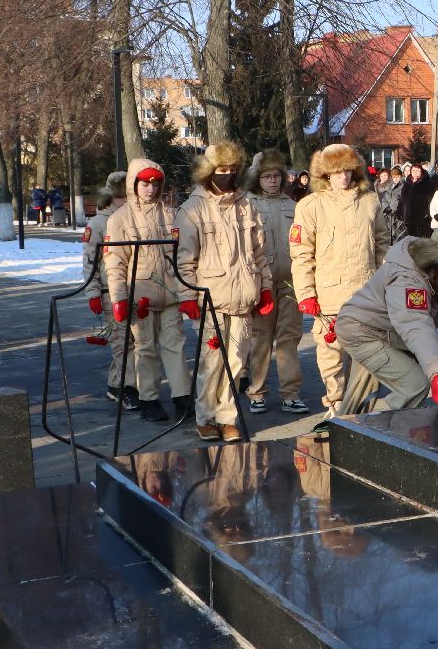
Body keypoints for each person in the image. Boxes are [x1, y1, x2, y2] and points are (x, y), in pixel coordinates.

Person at [335, 219, 438, 414]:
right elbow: (415, 323)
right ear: (437, 255)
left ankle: (342, 428)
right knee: (414, 385)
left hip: (379, 329)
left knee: (359, 398)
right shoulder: (407, 279)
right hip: (364, 332)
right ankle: (394, 429)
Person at [175, 142, 274, 443]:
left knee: (236, 363)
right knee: (212, 362)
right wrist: (187, 296)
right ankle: (205, 417)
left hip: (243, 296)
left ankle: (227, 417)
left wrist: (265, 288)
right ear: (209, 172)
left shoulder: (247, 205)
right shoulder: (192, 208)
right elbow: (184, 259)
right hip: (210, 299)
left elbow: (259, 253)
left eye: (232, 170)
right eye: (221, 170)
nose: (226, 175)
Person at [292, 145, 390, 416]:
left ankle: (361, 407)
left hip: (366, 289)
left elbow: (382, 244)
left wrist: (386, 283)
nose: (343, 176)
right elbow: (301, 253)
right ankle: (335, 403)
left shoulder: (370, 201)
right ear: (326, 174)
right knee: (331, 351)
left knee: (368, 352)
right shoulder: (311, 205)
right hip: (329, 291)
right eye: (337, 172)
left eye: (347, 170)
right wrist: (306, 293)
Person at [102, 158, 192, 423]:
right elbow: (115, 263)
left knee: (175, 346)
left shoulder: (171, 214)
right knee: (145, 348)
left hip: (170, 293)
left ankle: (182, 396)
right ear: (134, 184)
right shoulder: (120, 219)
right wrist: (119, 298)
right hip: (140, 295)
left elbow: (183, 254)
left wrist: (187, 290)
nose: (151, 189)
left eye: (155, 184)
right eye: (145, 184)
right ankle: (149, 398)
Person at [246, 151, 307, 414]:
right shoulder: (248, 205)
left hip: (291, 281)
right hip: (263, 283)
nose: (272, 181)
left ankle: (290, 393)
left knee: (289, 337)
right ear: (257, 179)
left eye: (276, 176)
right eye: (266, 176)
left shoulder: (293, 205)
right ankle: (257, 392)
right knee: (261, 339)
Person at [83, 171, 132, 407]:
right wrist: (93, 293)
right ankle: (127, 388)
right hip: (109, 291)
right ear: (112, 197)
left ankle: (116, 384)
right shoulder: (98, 224)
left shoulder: (131, 219)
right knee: (122, 342)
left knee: (132, 341)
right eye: (122, 197)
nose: (126, 202)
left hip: (134, 289)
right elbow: (90, 262)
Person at [397, 163, 437, 238]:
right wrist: (399, 211)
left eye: (417, 170)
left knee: (422, 242)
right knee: (410, 241)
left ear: (422, 171)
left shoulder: (429, 183)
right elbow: (402, 199)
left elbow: (432, 200)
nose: (415, 172)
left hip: (422, 220)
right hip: (408, 219)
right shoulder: (407, 183)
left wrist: (428, 214)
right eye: (413, 170)